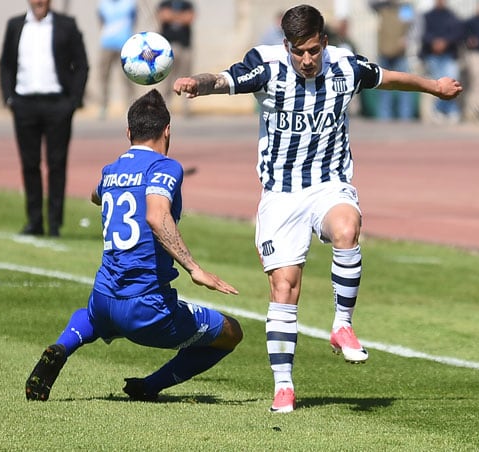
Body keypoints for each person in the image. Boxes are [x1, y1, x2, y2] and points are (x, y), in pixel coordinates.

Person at [172, 4, 461, 413]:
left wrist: (434, 86)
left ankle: (342, 326)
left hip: (329, 184)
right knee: (284, 289)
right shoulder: (268, 65)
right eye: (298, 51)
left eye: (312, 50)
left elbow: (388, 77)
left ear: (324, 41)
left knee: (347, 228)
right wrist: (197, 84)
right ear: (286, 45)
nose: (306, 59)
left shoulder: (345, 66)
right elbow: (225, 78)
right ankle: (284, 387)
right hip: (281, 195)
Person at [24, 89, 244, 402]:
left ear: (128, 133)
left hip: (103, 299)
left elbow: (95, 195)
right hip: (146, 308)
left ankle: (62, 346)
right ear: (167, 130)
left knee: (90, 315)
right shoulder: (165, 167)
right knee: (231, 332)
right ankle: (150, 385)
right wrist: (195, 269)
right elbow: (156, 216)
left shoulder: (111, 170)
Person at [0, 0, 89, 238]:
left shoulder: (66, 25)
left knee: (56, 164)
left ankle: (55, 223)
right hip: (24, 104)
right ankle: (34, 221)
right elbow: (6, 64)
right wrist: (9, 98)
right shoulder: (15, 25)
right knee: (30, 165)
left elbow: (81, 64)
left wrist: (74, 100)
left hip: (58, 104)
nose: (39, 2)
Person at [371, 0, 416, 121]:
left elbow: (413, 26)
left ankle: (406, 118)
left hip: (400, 54)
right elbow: (369, 4)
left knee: (405, 87)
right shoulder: (381, 7)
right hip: (384, 52)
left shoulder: (405, 8)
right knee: (383, 86)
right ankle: (384, 118)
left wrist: (408, 39)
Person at [420, 0, 463, 124]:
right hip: (432, 56)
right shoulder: (427, 16)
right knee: (438, 84)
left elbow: (457, 33)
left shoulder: (452, 16)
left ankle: (444, 110)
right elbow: (423, 34)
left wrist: (445, 42)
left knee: (452, 81)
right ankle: (443, 111)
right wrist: (433, 42)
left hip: (449, 55)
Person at [97, 0, 137, 119]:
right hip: (107, 43)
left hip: (124, 44)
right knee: (104, 76)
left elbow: (134, 18)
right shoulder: (103, 3)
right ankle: (103, 105)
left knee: (128, 76)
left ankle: (131, 106)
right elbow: (101, 20)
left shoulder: (129, 3)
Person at [157, 0, 195, 115]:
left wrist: (173, 15)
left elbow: (189, 18)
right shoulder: (165, 3)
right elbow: (164, 16)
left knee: (187, 78)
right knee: (166, 78)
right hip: (168, 48)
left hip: (184, 46)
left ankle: (186, 107)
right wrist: (180, 16)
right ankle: (165, 107)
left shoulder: (187, 4)